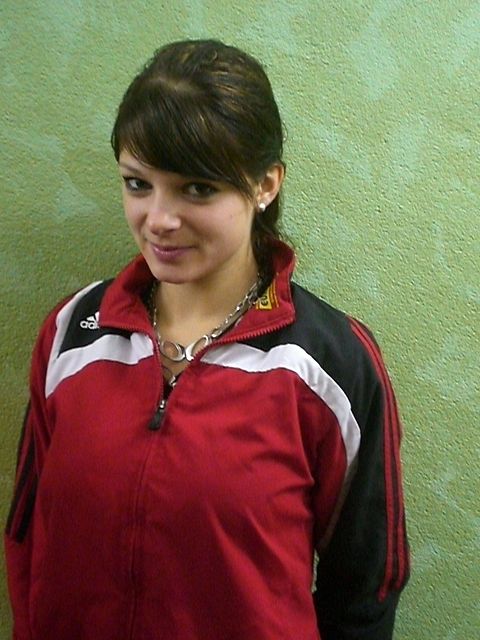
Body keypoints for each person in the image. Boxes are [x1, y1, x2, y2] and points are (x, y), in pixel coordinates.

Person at [5, 39, 409, 640]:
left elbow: (367, 586)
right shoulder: (71, 332)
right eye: (138, 184)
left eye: (197, 189)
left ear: (265, 184)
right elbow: (27, 537)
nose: (159, 220)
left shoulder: (330, 362)